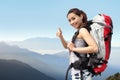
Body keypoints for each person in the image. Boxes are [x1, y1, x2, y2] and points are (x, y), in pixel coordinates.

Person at [56, 8, 98, 80]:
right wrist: (61, 37)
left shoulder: (82, 30)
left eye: (73, 18)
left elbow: (94, 48)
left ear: (81, 16)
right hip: (78, 72)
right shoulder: (78, 32)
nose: (71, 22)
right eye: (69, 20)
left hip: (81, 73)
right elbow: (67, 46)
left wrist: (74, 49)